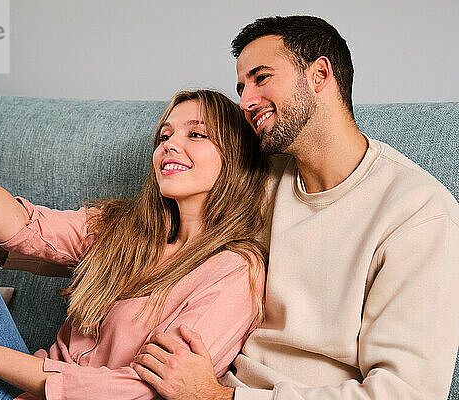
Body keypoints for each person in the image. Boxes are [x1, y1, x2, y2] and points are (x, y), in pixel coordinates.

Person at [0, 89, 271, 399]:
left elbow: (137, 392)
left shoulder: (233, 272)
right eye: (164, 135)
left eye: (195, 134)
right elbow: (30, 226)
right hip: (28, 384)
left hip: (34, 383)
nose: (169, 145)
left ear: (233, 158)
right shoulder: (127, 228)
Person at [131, 15, 459, 400]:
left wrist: (217, 396)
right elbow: (166, 234)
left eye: (261, 77)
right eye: (241, 87)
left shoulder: (418, 212)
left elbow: (404, 393)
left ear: (320, 75)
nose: (245, 101)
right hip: (206, 378)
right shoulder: (258, 179)